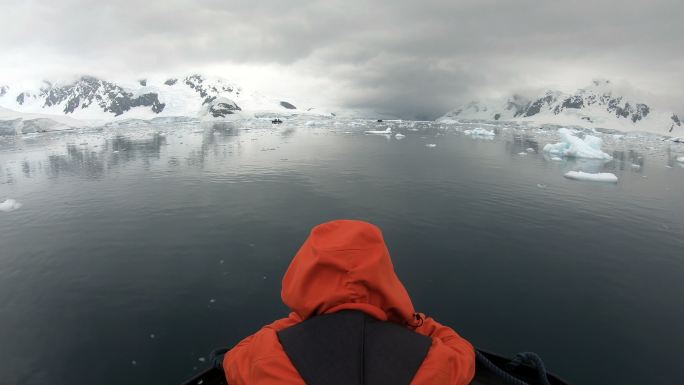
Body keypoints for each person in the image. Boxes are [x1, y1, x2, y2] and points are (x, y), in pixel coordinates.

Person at [224, 219, 475, 385]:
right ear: (384, 275)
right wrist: (410, 320)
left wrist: (299, 319)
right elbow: (463, 351)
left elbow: (235, 357)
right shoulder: (432, 361)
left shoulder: (268, 356)